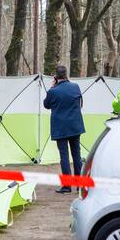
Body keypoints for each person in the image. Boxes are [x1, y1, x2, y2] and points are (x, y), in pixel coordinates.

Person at [43, 65, 85, 194]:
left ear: (56, 76)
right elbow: (80, 103)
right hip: (75, 125)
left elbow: (46, 105)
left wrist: (52, 87)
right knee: (76, 155)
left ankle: (67, 185)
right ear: (66, 75)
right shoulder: (75, 87)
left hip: (60, 127)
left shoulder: (53, 91)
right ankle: (79, 184)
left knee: (64, 155)